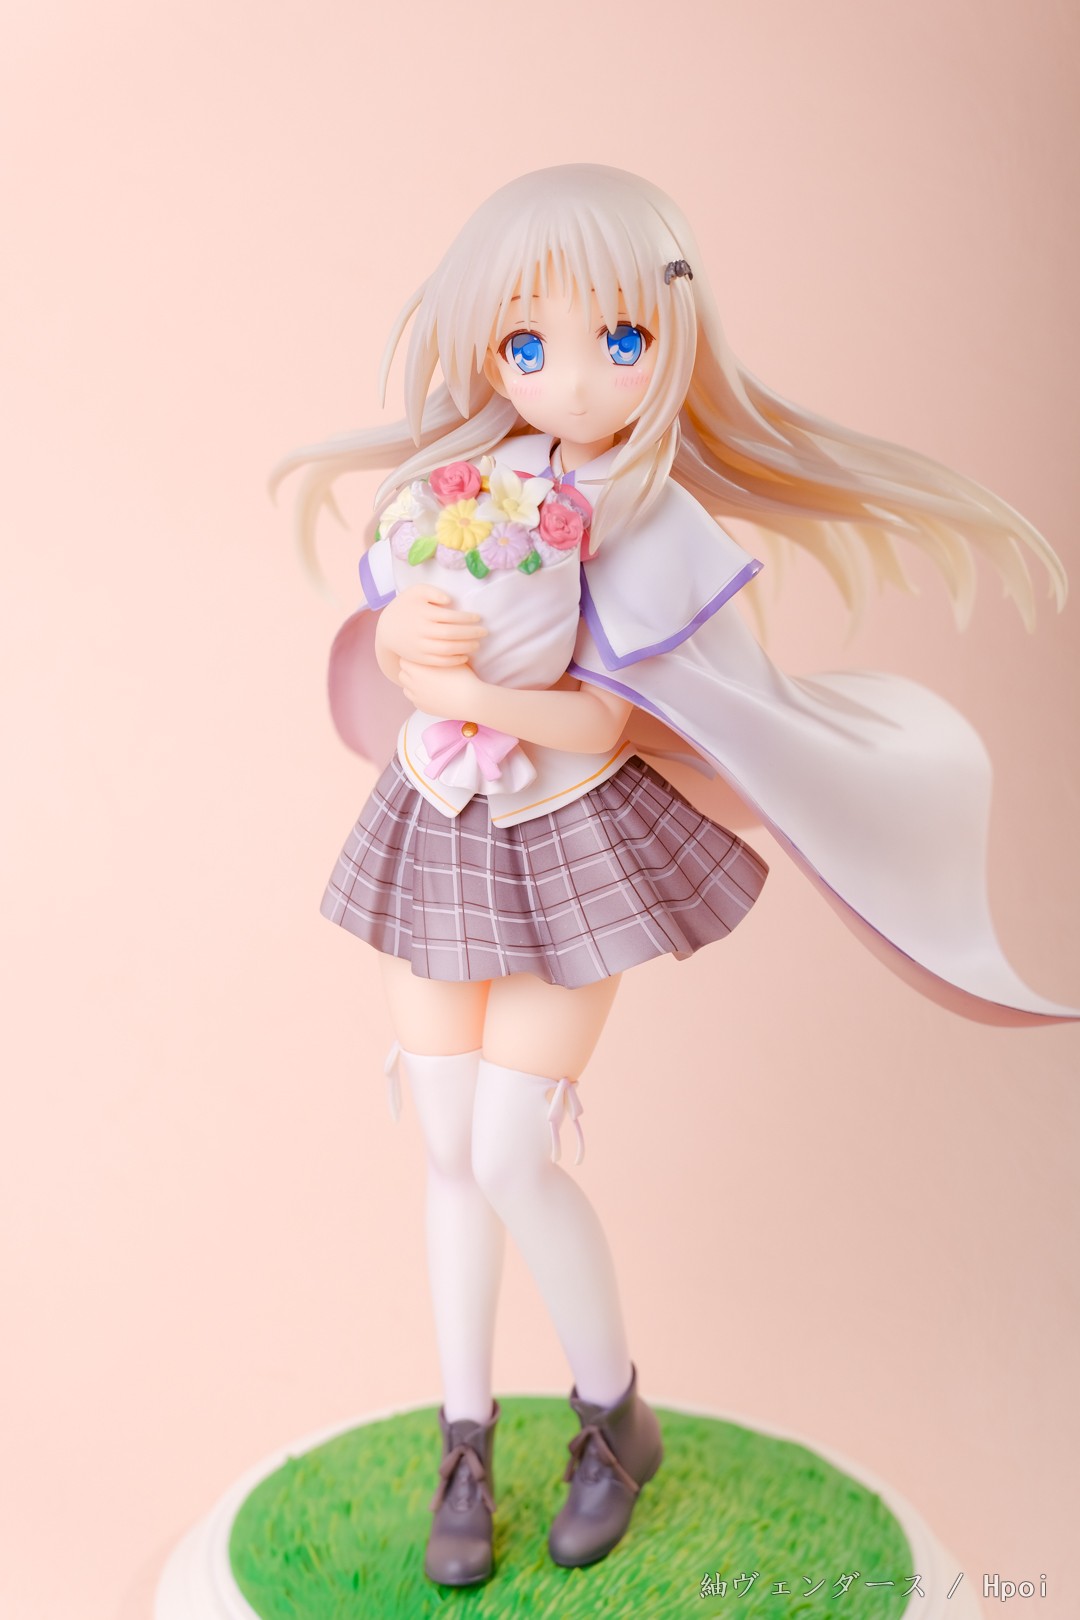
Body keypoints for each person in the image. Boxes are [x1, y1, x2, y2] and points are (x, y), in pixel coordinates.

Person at [275, 164, 1073, 1587]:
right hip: (442, 820)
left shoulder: (657, 523)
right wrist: (408, 651)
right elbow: (394, 613)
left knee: (511, 1149)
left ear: (674, 332)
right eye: (529, 344)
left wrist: (474, 692)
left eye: (621, 339)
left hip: (570, 832)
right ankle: (465, 1440)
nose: (573, 380)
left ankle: (610, 1416)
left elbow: (607, 722)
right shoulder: (466, 485)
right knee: (445, 1143)